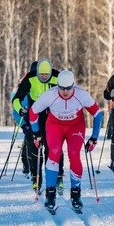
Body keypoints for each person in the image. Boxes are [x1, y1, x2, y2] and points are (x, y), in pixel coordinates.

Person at [26, 69, 102, 212]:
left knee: (74, 154)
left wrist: (94, 138)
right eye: (62, 88)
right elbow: (33, 112)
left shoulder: (81, 94)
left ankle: (76, 193)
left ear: (73, 85)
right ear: (58, 86)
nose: (65, 92)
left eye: (68, 88)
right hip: (55, 126)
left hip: (75, 126)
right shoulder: (50, 95)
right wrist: (36, 133)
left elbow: (97, 114)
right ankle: (50, 194)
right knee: (54, 152)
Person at [13, 59, 59, 189]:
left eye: (46, 73)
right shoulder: (28, 79)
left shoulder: (57, 77)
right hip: (33, 118)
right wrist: (21, 113)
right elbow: (16, 98)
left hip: (51, 119)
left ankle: (53, 176)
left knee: (51, 149)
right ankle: (35, 177)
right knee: (33, 147)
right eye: (40, 73)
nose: (43, 76)